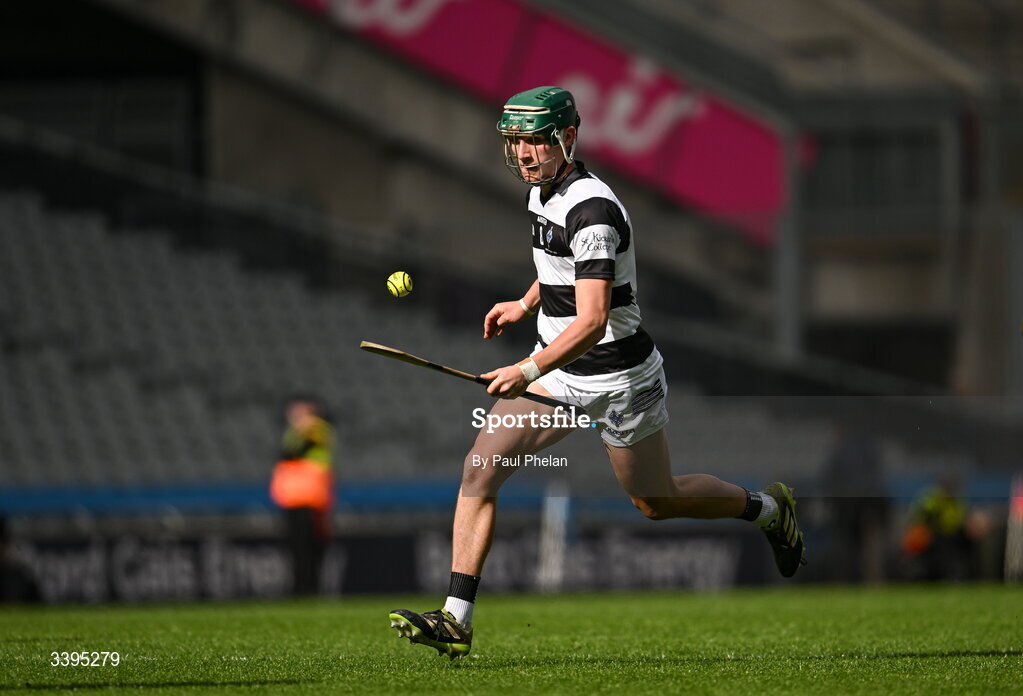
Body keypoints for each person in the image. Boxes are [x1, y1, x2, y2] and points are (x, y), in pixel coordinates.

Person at [388, 86, 805, 659]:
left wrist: (525, 366)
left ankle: (767, 510)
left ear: (568, 138)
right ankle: (456, 619)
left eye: (536, 140)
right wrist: (526, 303)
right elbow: (560, 267)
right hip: (559, 375)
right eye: (516, 141)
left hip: (619, 378)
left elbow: (592, 319)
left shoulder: (594, 211)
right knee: (479, 471)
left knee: (657, 502)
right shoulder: (542, 193)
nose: (526, 153)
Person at [270, 398, 335, 596]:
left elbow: (293, 452)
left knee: (307, 547)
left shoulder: (313, 428)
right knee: (299, 547)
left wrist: (303, 426)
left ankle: (307, 589)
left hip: (309, 497)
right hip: (295, 498)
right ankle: (303, 588)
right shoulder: (299, 430)